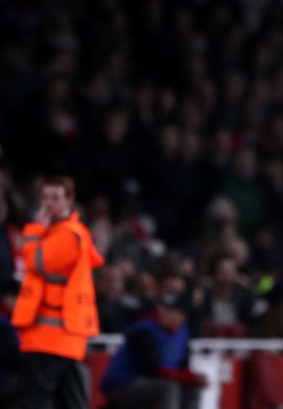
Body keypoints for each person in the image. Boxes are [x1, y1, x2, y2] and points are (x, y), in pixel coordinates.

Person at [11, 175, 104, 409]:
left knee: (36, 399)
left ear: (69, 200)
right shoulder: (62, 233)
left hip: (50, 337)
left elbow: (34, 261)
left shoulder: (68, 234)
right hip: (61, 337)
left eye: (55, 198)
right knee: (70, 400)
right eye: (44, 197)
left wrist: (33, 229)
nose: (48, 204)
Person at [101, 292, 208, 409]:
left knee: (192, 388)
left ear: (183, 316)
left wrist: (192, 379)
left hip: (153, 384)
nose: (163, 313)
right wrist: (189, 377)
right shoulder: (144, 330)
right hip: (122, 385)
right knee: (168, 387)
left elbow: (183, 367)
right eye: (163, 308)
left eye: (170, 310)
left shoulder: (183, 333)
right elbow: (152, 369)